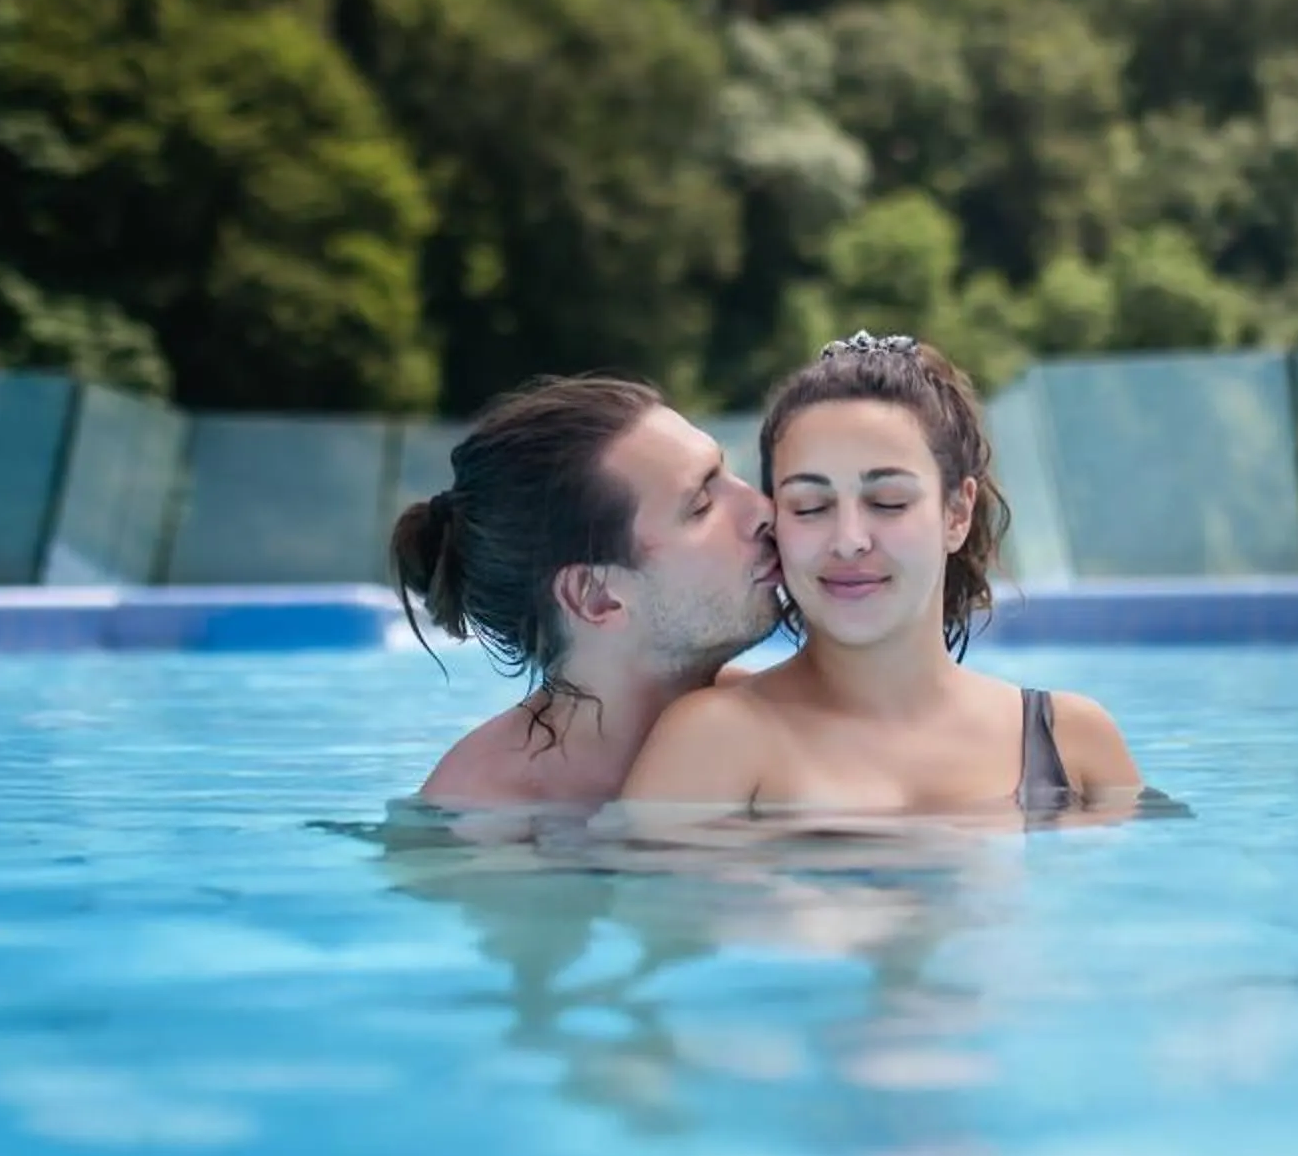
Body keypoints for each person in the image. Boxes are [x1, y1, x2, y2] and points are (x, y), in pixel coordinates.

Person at [613, 332, 1146, 818]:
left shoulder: (1072, 746)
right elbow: (652, 917)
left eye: (888, 502)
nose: (848, 539)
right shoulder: (714, 741)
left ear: (956, 514)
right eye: (809, 506)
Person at [391, 374, 781, 811]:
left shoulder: (792, 714)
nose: (764, 509)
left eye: (726, 472)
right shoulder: (484, 823)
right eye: (701, 506)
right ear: (597, 598)